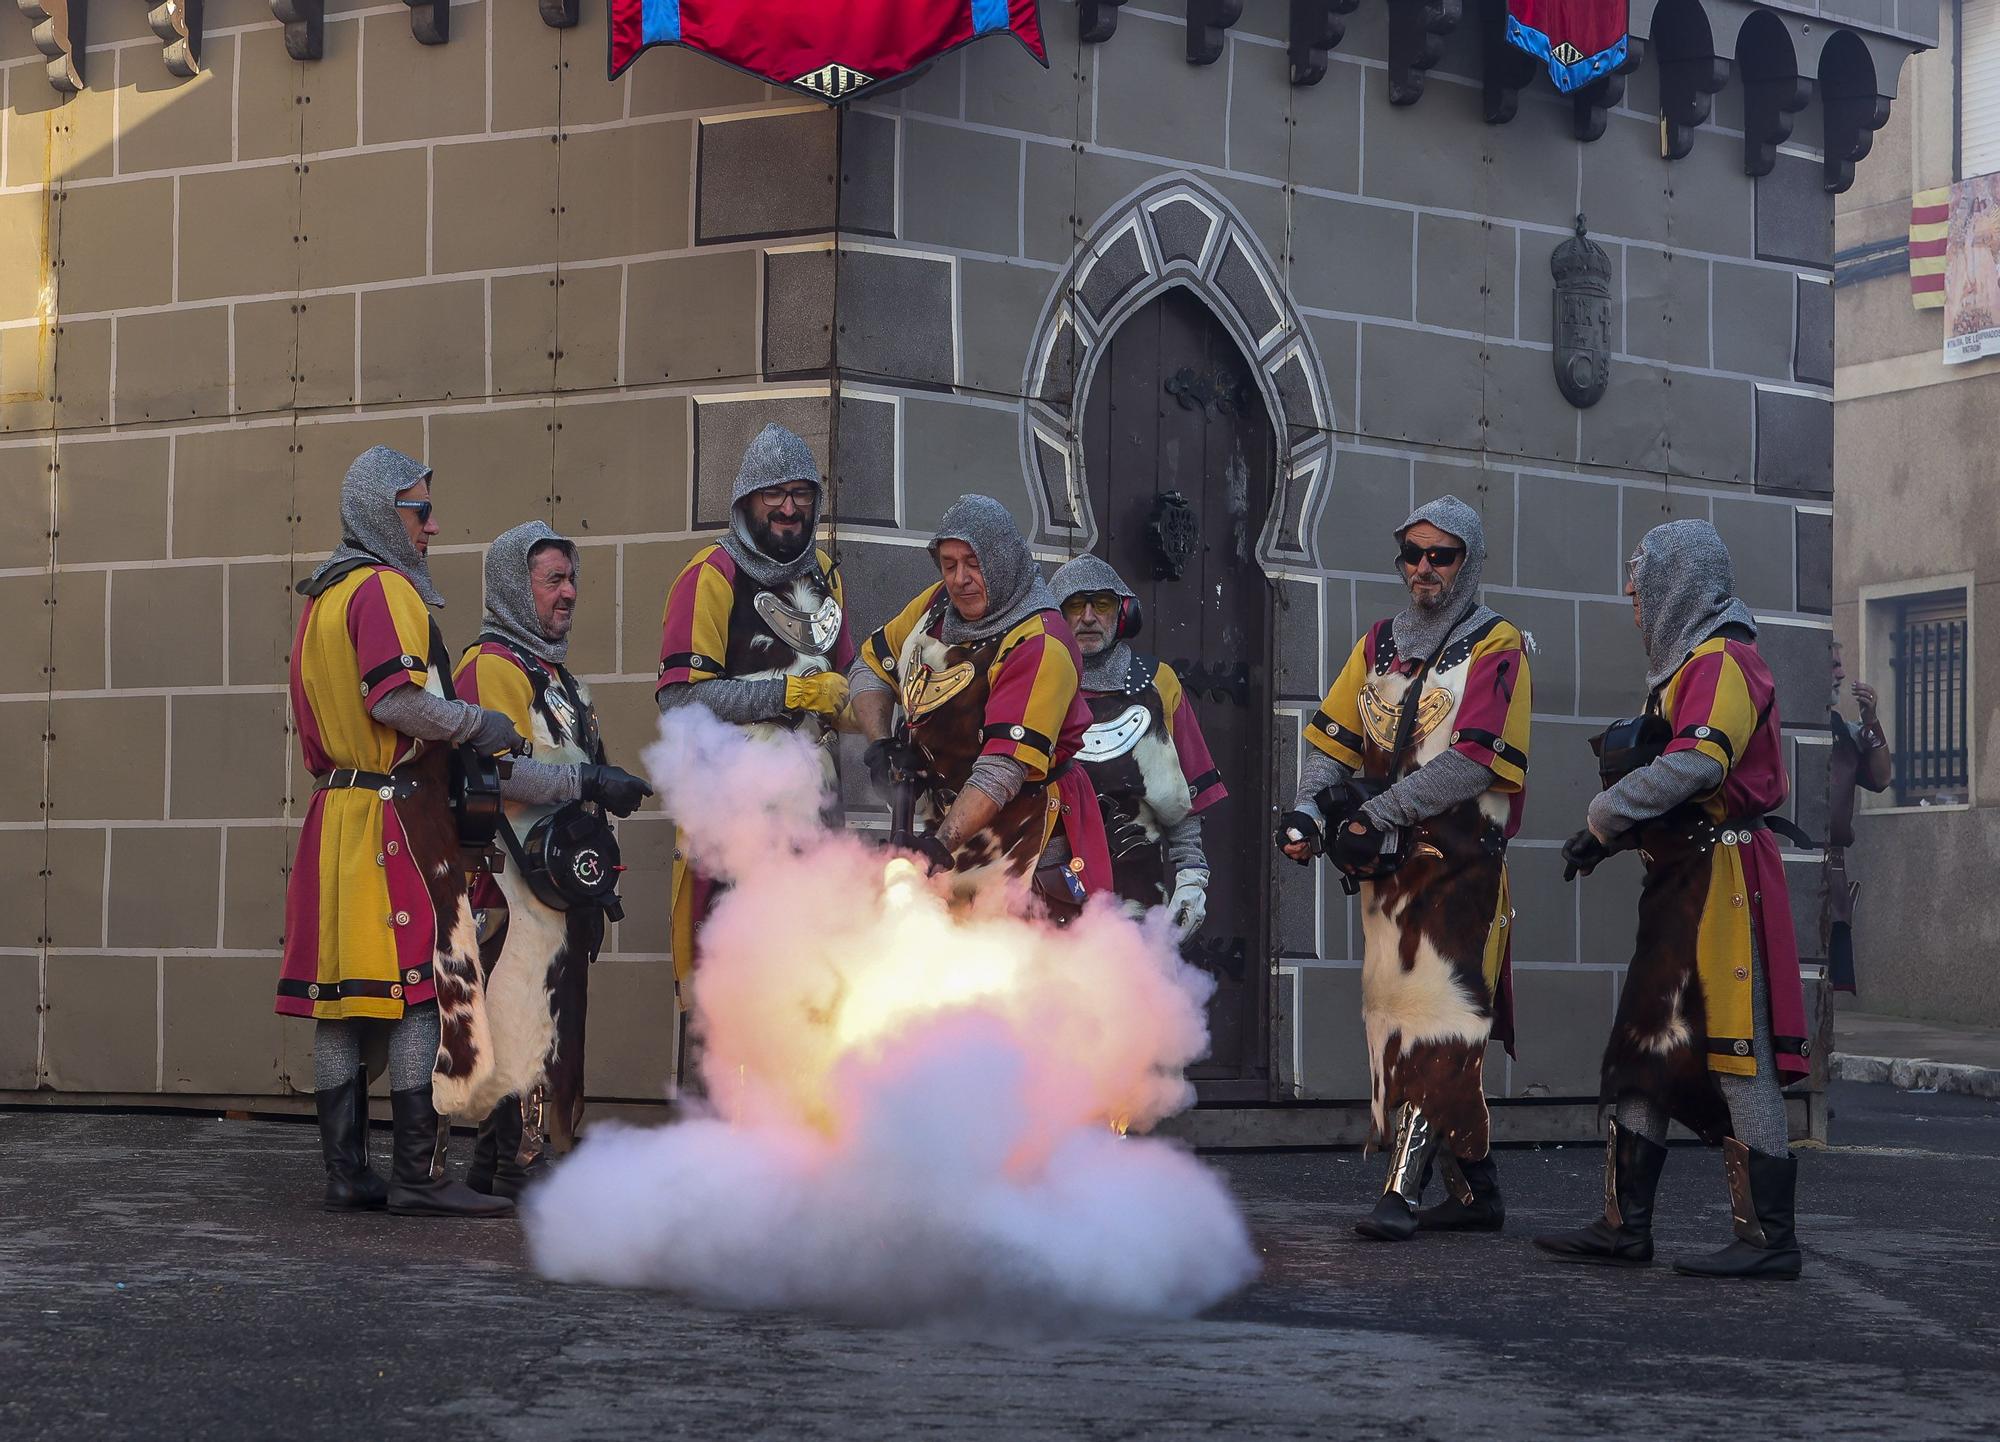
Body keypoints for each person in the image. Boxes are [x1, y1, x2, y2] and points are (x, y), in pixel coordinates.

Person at [1537, 520, 1810, 1279]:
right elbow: (1676, 778)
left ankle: (1768, 1240)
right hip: (1681, 880)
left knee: (1736, 1054)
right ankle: (1625, 1226)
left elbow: (1700, 761)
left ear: (1677, 584)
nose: (1632, 598)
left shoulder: (1727, 660)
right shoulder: (1690, 665)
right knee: (1643, 1049)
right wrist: (1612, 837)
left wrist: (1603, 815)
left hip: (1724, 885)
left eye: (1642, 584)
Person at [276, 446, 524, 1219]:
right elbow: (397, 701)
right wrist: (476, 722)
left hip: (338, 813)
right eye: (419, 510)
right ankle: (417, 1176)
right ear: (385, 514)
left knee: (343, 1000)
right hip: (391, 813)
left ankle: (347, 1174)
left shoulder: (323, 596)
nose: (432, 525)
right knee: (420, 992)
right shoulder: (383, 588)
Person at [1276, 496, 1529, 1242]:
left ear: (1468, 560)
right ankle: (1475, 1191)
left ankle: (1400, 1190)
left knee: (1434, 1022)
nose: (1423, 567)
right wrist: (1311, 816)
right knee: (1392, 1021)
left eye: (1441, 554)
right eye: (1413, 553)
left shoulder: (1497, 642)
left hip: (1463, 868)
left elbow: (1475, 760)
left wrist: (1373, 814)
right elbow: (1331, 738)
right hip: (1390, 874)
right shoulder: (1380, 642)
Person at [453, 522, 652, 1198]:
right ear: (516, 587)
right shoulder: (492, 667)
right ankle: (522, 1162)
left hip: (556, 887)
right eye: (552, 581)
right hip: (509, 887)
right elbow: (500, 773)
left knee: (550, 1023)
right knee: (522, 1019)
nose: (569, 594)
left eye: (573, 580)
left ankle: (501, 1163)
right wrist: (592, 783)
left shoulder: (559, 677)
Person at [656, 424, 855, 1081]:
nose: (789, 509)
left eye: (801, 493)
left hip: (811, 811)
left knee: (811, 985)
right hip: (733, 821)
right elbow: (681, 699)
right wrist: (786, 692)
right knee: (729, 990)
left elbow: (848, 683)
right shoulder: (710, 575)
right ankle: (718, 1156)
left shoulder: (826, 575)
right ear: (746, 499)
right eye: (775, 495)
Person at [848, 495, 1112, 913]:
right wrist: (882, 744)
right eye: (949, 564)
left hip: (1025, 831)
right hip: (952, 825)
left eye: (973, 562)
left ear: (1002, 560)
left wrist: (938, 844)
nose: (959, 579)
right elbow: (868, 666)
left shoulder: (1041, 644)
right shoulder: (935, 606)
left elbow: (1002, 769)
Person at [1047, 554, 1226, 941]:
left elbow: (1186, 795)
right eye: (1076, 605)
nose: (1089, 617)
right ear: (1056, 614)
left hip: (1137, 889)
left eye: (1103, 604)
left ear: (1123, 612)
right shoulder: (1035, 681)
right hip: (1047, 886)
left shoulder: (1158, 682)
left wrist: (1192, 874)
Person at [1824, 641, 1891, 993]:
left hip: (1832, 875)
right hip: (1786, 870)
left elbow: (1881, 779)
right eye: (1834, 665)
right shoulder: (1777, 724)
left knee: (1828, 982)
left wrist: (1871, 720)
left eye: (1841, 665)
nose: (1842, 673)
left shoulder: (1847, 732)